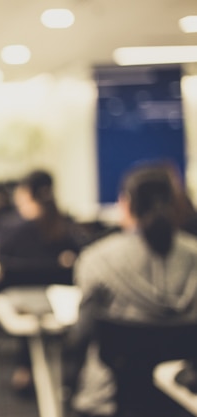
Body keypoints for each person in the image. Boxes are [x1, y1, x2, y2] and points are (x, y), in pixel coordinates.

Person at [66, 164, 197, 417]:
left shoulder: (98, 259)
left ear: (126, 203)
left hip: (109, 398)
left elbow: (79, 337)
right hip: (184, 393)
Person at [0, 170, 87, 393]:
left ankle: (26, 367)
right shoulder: (66, 227)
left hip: (24, 306)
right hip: (63, 304)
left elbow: (1, 267)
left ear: (25, 193)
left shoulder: (10, 229)